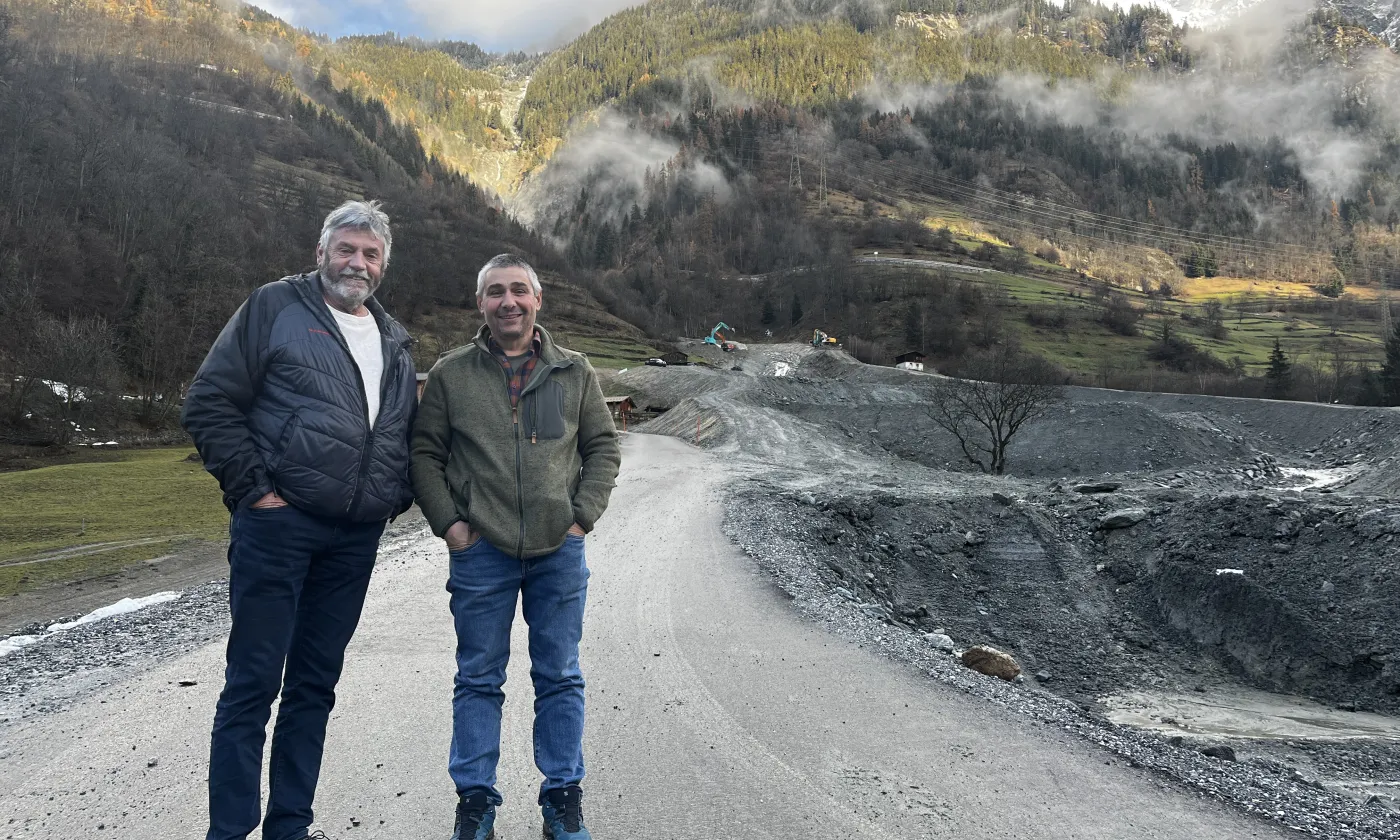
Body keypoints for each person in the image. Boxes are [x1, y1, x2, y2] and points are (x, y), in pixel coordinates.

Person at [183, 200, 418, 840]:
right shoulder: (274, 308)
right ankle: (229, 831)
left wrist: (391, 498)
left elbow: (400, 432)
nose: (357, 263)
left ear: (384, 265)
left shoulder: (395, 339)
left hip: (353, 540)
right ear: (321, 253)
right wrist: (254, 490)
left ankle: (290, 826)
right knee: (253, 685)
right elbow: (208, 402)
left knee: (314, 687)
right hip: (278, 528)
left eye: (370, 254)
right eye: (346, 249)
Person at [411, 254, 621, 840]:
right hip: (482, 553)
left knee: (559, 675)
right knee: (478, 677)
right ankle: (475, 804)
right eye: (496, 292)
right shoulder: (452, 374)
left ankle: (562, 799)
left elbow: (603, 448)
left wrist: (582, 519)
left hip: (559, 551)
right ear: (480, 303)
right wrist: (452, 526)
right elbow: (424, 455)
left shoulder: (572, 372)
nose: (509, 301)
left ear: (538, 299)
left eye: (519, 291)